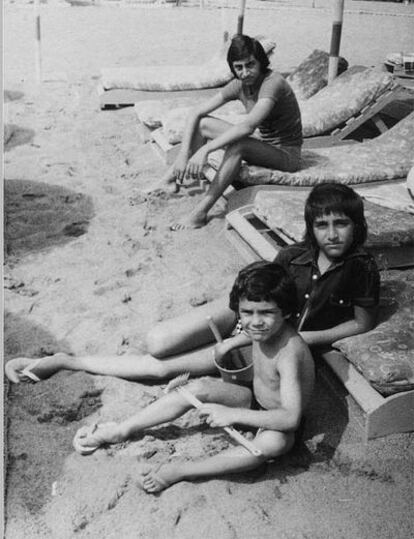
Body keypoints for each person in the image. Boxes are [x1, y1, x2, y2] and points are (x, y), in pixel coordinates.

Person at [5, 182, 379, 384]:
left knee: (161, 368)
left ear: (356, 226)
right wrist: (235, 321)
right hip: (245, 315)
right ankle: (71, 360)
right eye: (322, 224)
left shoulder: (360, 268)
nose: (331, 234)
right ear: (311, 226)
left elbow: (361, 323)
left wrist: (290, 338)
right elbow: (257, 293)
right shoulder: (291, 256)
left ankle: (64, 362)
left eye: (341, 224)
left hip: (274, 336)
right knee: (157, 340)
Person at [72, 262, 315, 493]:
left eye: (266, 313)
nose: (255, 322)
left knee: (272, 445)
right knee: (198, 388)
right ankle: (123, 429)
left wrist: (232, 415)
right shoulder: (264, 330)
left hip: (278, 422)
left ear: (286, 313)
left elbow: (291, 418)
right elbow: (256, 331)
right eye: (247, 313)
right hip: (255, 401)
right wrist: (231, 343)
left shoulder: (289, 354)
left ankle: (183, 470)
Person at [149, 34, 302, 230]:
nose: (245, 72)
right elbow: (196, 112)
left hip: (287, 155)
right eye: (239, 67)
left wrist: (205, 150)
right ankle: (170, 180)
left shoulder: (273, 83)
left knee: (239, 144)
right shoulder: (241, 84)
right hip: (265, 145)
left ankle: (199, 214)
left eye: (250, 65)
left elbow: (247, 127)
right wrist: (183, 154)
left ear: (261, 62)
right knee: (203, 123)